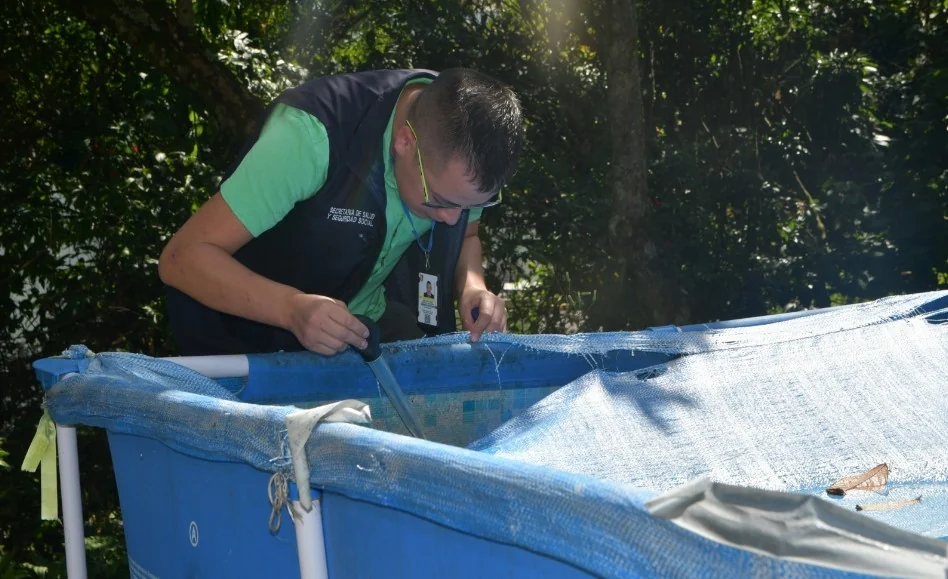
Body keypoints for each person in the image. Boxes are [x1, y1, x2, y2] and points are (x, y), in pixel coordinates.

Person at [158, 68, 524, 357]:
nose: (453, 220)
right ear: (405, 142)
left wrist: (473, 286)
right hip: (244, 333)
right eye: (439, 200)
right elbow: (180, 258)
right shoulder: (309, 137)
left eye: (473, 205)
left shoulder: (459, 143)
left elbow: (469, 237)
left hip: (359, 323)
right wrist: (290, 309)